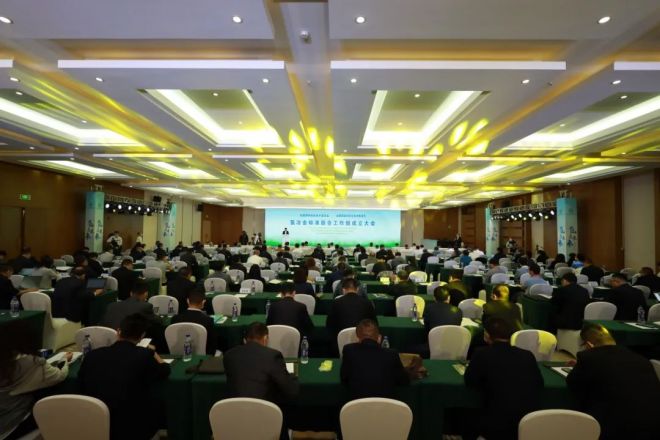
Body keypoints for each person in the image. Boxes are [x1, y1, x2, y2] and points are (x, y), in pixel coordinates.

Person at [78, 314, 171, 440]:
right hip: (132, 428)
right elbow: (165, 369)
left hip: (95, 423)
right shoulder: (144, 355)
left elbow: (80, 386)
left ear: (118, 332)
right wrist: (153, 352)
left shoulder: (92, 355)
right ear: (142, 336)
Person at [566, 323, 660, 440]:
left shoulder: (588, 357)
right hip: (654, 428)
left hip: (616, 429)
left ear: (589, 345)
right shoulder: (641, 359)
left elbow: (572, 383)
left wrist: (581, 366)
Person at [464, 317, 543, 440]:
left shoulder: (481, 354)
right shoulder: (527, 355)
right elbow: (539, 383)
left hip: (495, 428)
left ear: (487, 335)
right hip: (528, 425)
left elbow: (470, 381)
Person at [0, 320, 71, 440]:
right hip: (11, 424)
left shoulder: (6, 360)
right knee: (58, 407)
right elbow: (59, 376)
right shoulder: (32, 362)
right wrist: (64, 360)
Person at [223, 322, 299, 404]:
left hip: (234, 408)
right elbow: (292, 391)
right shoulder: (272, 356)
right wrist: (291, 376)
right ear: (265, 338)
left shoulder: (229, 355)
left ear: (244, 340)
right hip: (264, 409)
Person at [340, 319, 409, 400]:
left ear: (357, 337)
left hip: (356, 405)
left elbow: (344, 377)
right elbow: (404, 381)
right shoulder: (392, 354)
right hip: (386, 405)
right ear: (379, 337)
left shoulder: (349, 350)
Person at [171, 289, 217, 355]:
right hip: (202, 357)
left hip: (179, 355)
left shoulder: (175, 319)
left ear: (187, 301)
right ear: (203, 302)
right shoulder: (208, 320)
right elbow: (212, 346)